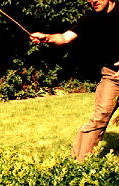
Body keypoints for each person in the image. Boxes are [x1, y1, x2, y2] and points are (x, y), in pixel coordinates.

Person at [30, 0, 119, 162]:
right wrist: (47, 38)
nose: (93, 0)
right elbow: (64, 38)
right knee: (99, 117)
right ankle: (79, 163)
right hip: (112, 76)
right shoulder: (91, 17)